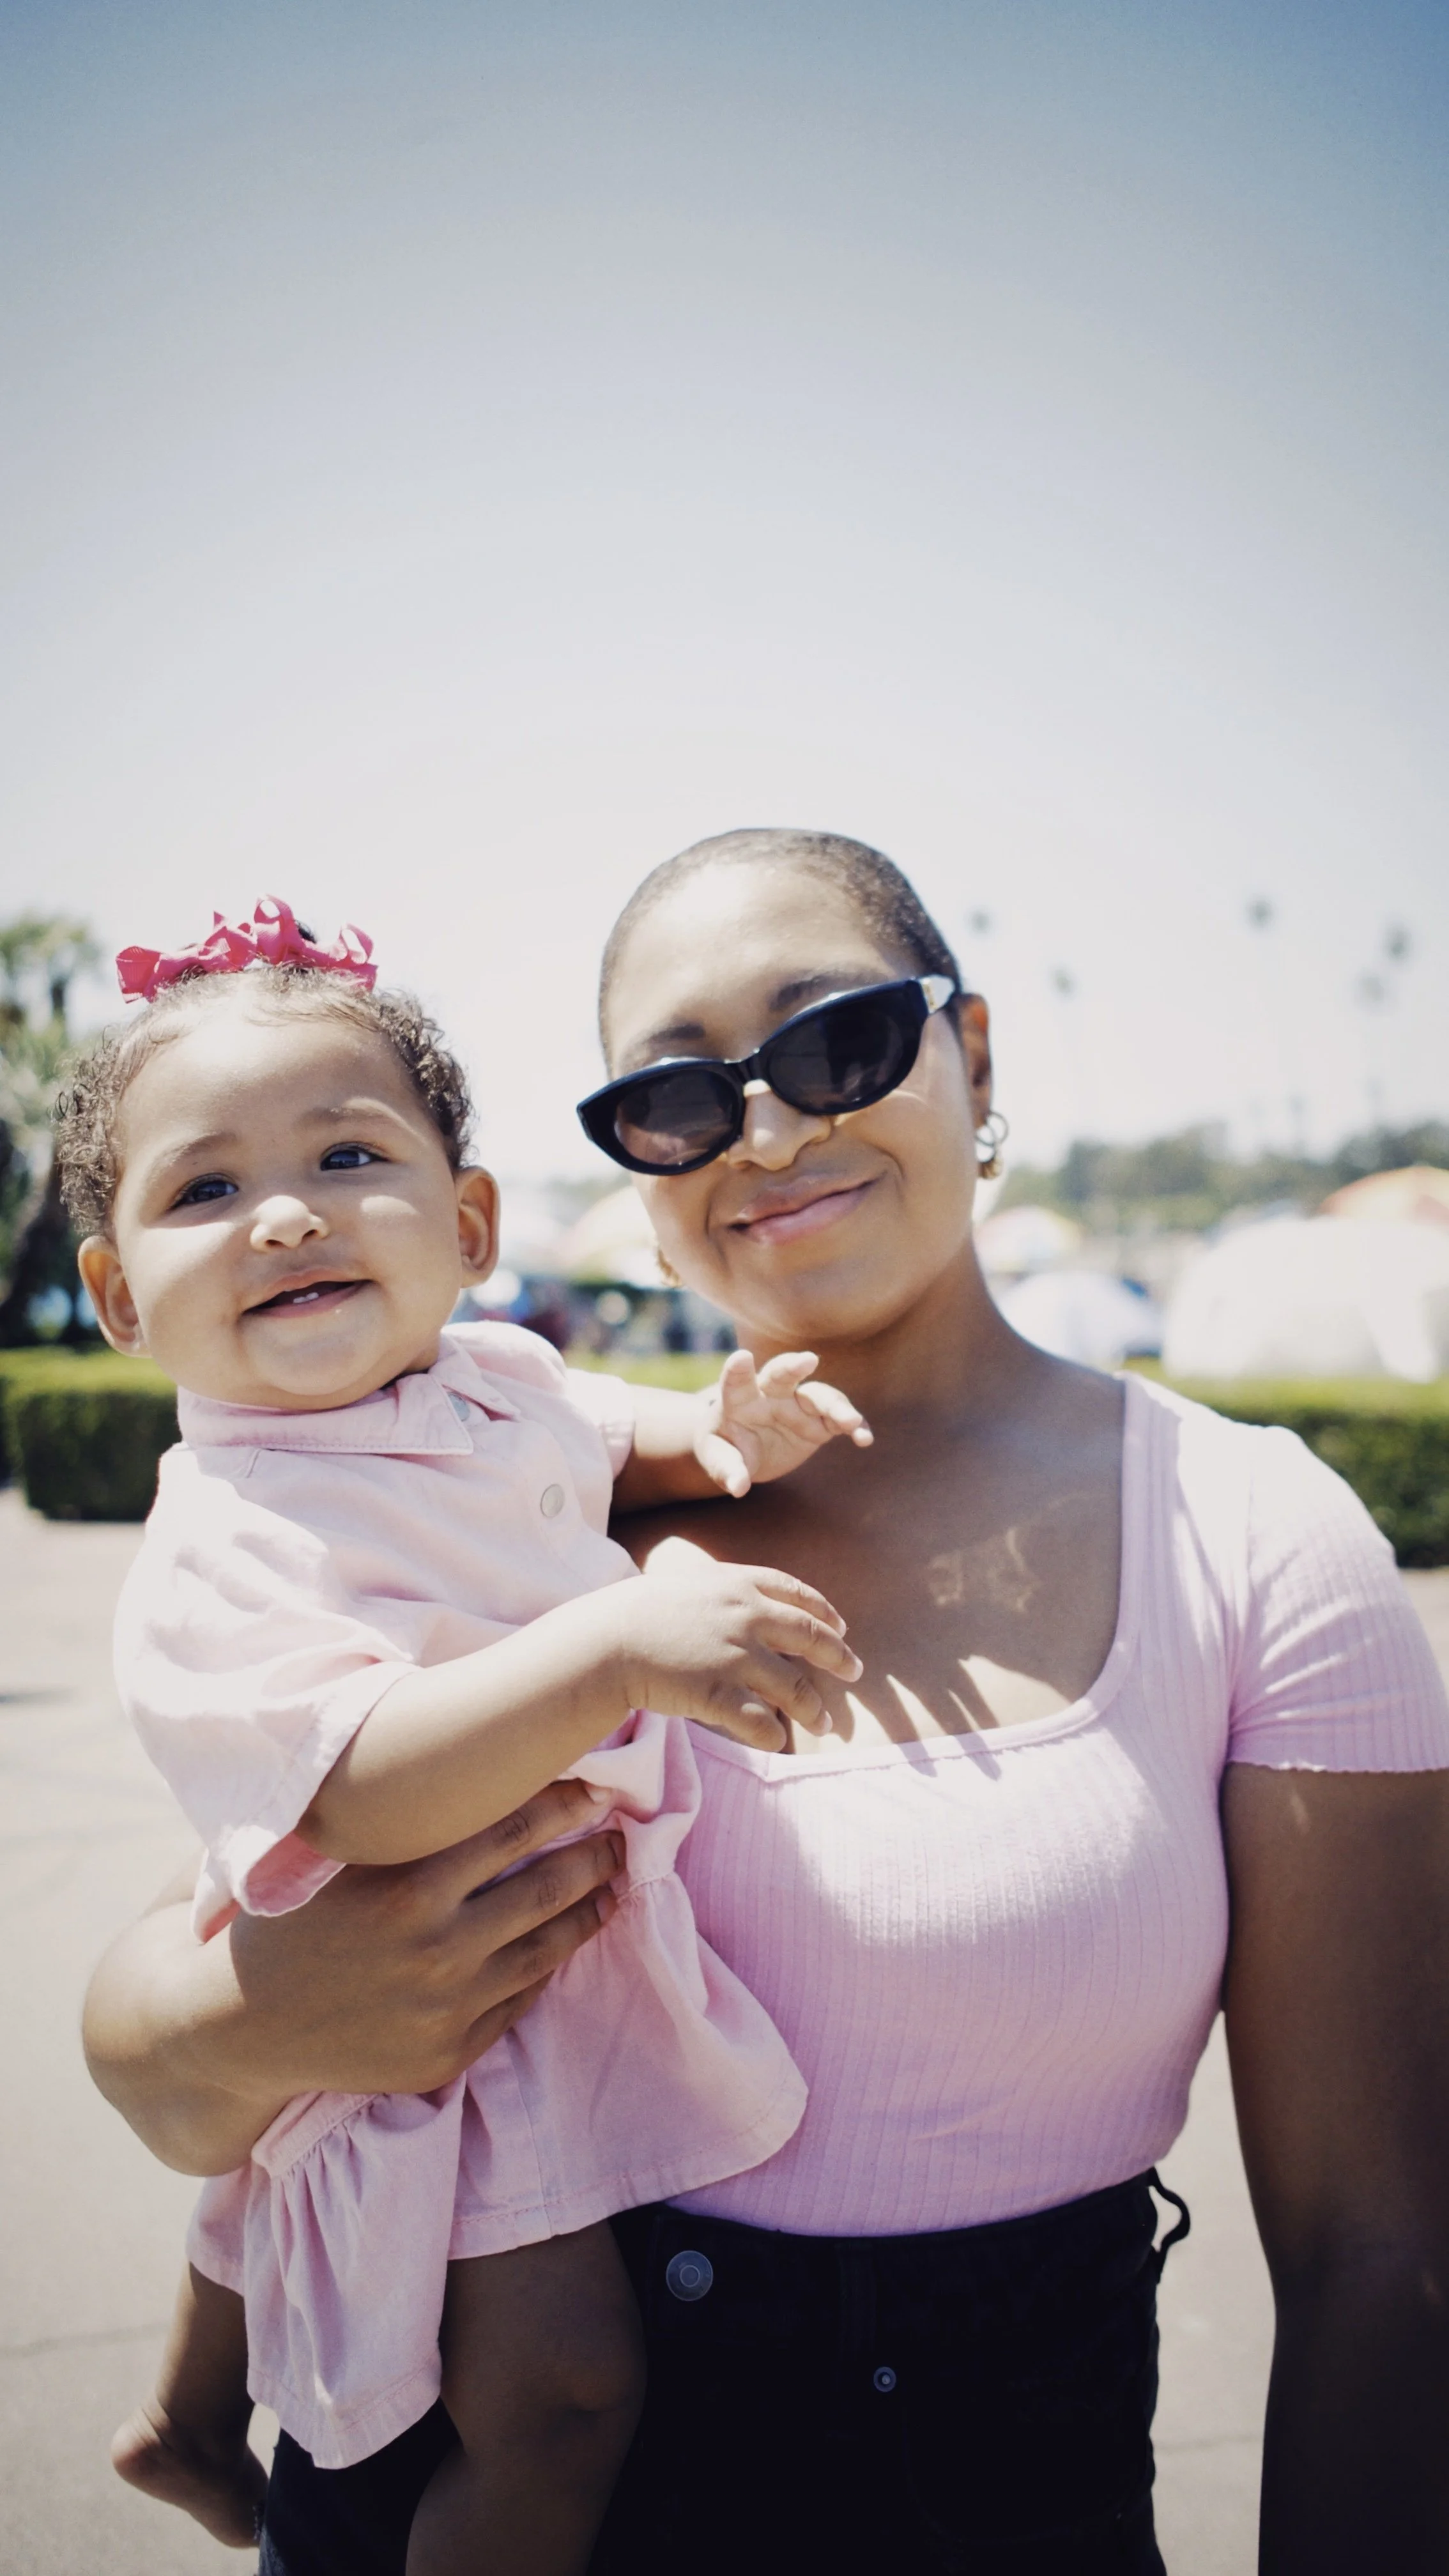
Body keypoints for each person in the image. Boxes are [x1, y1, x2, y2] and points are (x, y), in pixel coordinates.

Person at [84, 834, 1449, 2574]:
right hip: (434, 2487)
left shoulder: (1243, 1530)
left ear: (972, 1055)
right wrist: (242, 2027)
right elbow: (174, 1999)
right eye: (675, 1097)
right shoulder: (489, 1498)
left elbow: (1379, 2256)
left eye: (839, 1043)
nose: (771, 1131)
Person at [57, 894, 872, 2574]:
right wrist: (611, 1652)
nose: (288, 1215)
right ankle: (211, 2429)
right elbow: (356, 1791)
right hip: (444, 1998)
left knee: (304, 2202)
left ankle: (189, 2422)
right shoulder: (229, 1534)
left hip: (522, 1937)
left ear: (471, 1220)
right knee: (562, 2394)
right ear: (120, 1299)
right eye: (205, 1190)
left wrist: (721, 1424)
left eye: (349, 1157)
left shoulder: (499, 1379)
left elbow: (612, 1435)